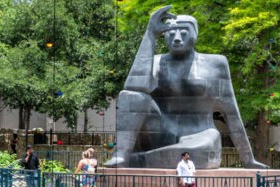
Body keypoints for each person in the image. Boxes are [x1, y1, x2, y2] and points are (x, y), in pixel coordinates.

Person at [107, 6, 264, 170]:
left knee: (196, 155)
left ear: (195, 34)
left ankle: (142, 159)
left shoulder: (216, 63)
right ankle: (122, 156)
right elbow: (132, 88)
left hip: (200, 135)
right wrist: (150, 34)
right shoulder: (155, 62)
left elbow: (231, 113)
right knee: (132, 95)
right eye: (171, 32)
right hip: (162, 133)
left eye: (183, 33)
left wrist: (248, 159)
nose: (176, 38)